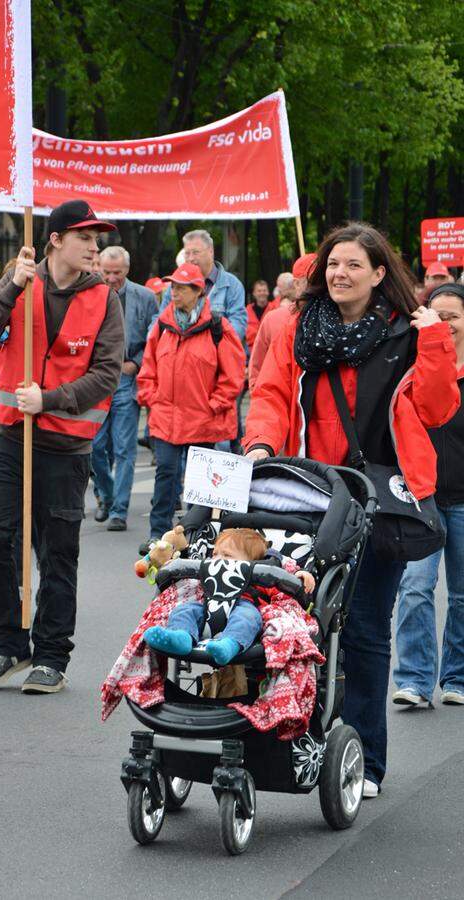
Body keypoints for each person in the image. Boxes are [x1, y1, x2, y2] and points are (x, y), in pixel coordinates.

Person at [243, 222, 459, 798]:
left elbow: (438, 409)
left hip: (380, 502)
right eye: (332, 264)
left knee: (363, 629)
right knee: (296, 623)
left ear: (380, 274)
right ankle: (297, 737)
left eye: (353, 265)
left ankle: (365, 758)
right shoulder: (296, 328)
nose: (339, 273)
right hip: (308, 498)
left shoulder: (407, 334)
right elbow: (269, 395)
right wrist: (261, 444)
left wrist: (436, 340)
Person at [0, 199, 124, 695]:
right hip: (12, 437)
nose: (94, 246)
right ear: (55, 239)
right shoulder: (22, 282)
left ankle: (52, 656)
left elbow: (106, 374)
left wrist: (52, 399)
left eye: (96, 239)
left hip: (66, 447)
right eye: (85, 237)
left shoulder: (104, 298)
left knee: (58, 553)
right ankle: (9, 644)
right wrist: (12, 283)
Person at [137, 263, 244, 553]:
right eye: (173, 287)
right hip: (167, 419)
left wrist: (215, 404)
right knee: (166, 477)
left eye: (182, 288)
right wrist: (151, 397)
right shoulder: (162, 326)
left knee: (201, 486)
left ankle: (195, 536)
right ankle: (158, 536)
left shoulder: (218, 327)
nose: (175, 293)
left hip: (202, 420)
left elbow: (233, 374)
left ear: (199, 291)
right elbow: (148, 368)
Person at [393, 282, 464, 708]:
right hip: (422, 496)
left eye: (453, 315)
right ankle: (416, 680)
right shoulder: (417, 364)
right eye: (436, 315)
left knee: (462, 595)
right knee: (416, 587)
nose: (445, 323)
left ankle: (456, 677)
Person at [144, 527, 315, 664]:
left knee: (247, 617)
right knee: (185, 610)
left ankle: (229, 645)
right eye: (215, 554)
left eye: (227, 555)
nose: (218, 560)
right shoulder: (210, 568)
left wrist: (301, 574)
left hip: (245, 604)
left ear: (251, 561)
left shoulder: (263, 573)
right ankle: (181, 637)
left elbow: (286, 579)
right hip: (208, 605)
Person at [92, 246, 158, 531]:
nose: (110, 278)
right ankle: (106, 495)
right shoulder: (90, 292)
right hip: (95, 380)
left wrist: (137, 363)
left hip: (126, 380)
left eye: (116, 273)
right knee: (94, 446)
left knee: (124, 449)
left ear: (127, 271)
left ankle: (119, 509)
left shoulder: (144, 297)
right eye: (106, 272)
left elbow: (155, 336)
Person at [158, 229, 247, 341]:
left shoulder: (232, 285)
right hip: (180, 356)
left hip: (217, 356)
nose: (190, 258)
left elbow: (238, 326)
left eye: (195, 252)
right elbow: (159, 321)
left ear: (211, 251)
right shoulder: (174, 285)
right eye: (187, 253)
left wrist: (209, 347)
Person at [248, 254, 316, 391]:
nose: (319, 286)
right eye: (313, 281)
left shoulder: (339, 318)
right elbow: (257, 369)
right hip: (278, 400)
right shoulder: (274, 318)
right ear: (297, 284)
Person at [245, 280, 271, 352]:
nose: (262, 293)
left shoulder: (274, 309)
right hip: (250, 351)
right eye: (259, 291)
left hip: (269, 351)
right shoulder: (246, 310)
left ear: (268, 292)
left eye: (264, 290)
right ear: (254, 293)